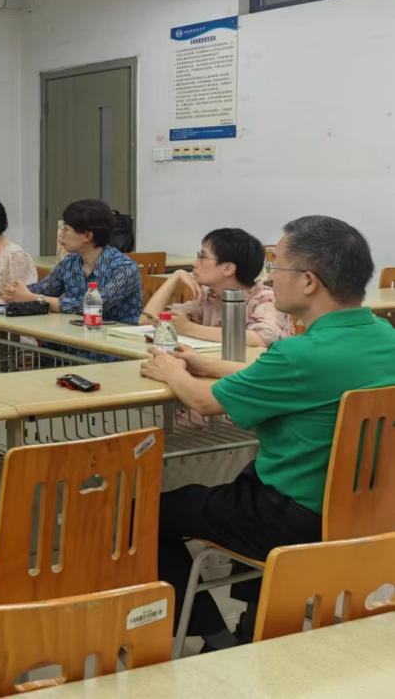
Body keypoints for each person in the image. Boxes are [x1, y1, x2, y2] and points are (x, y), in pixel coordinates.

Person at [140, 215, 395, 649]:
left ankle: (216, 637)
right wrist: (204, 363)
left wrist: (170, 368)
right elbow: (283, 375)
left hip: (290, 518)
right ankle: (257, 620)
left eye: (276, 267)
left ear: (309, 281)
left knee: (146, 515)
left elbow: (204, 402)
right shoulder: (384, 336)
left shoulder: (299, 355)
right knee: (246, 485)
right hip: (370, 514)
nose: (269, 278)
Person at [141, 227, 294, 347]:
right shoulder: (210, 296)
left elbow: (260, 339)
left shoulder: (265, 299)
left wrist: (189, 328)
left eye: (202, 257)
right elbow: (146, 321)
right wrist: (175, 277)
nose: (195, 263)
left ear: (227, 268)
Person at [1, 198, 143, 324]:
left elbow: (89, 306)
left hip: (113, 341)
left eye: (66, 229)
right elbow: (44, 289)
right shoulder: (70, 262)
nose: (61, 235)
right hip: (73, 337)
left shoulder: (124, 268)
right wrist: (16, 291)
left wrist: (34, 298)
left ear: (87, 236)